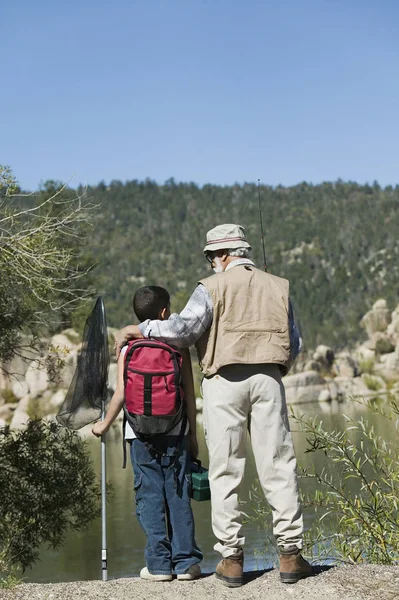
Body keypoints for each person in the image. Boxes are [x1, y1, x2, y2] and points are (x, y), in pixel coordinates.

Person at [114, 224, 313, 587]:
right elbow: (294, 342)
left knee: (225, 469)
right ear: (244, 251)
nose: (211, 262)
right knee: (278, 463)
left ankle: (232, 560)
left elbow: (184, 331)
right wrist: (273, 367)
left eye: (211, 256)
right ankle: (290, 555)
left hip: (223, 382)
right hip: (269, 378)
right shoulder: (278, 286)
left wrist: (143, 329)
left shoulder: (211, 287)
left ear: (222, 255)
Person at [93, 286, 202, 581]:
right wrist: (192, 433)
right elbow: (189, 393)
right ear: (165, 314)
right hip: (175, 431)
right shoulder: (178, 346)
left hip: (138, 433)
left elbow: (120, 394)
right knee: (178, 493)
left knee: (149, 496)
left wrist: (103, 425)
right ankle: (186, 564)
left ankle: (158, 565)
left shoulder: (128, 348)